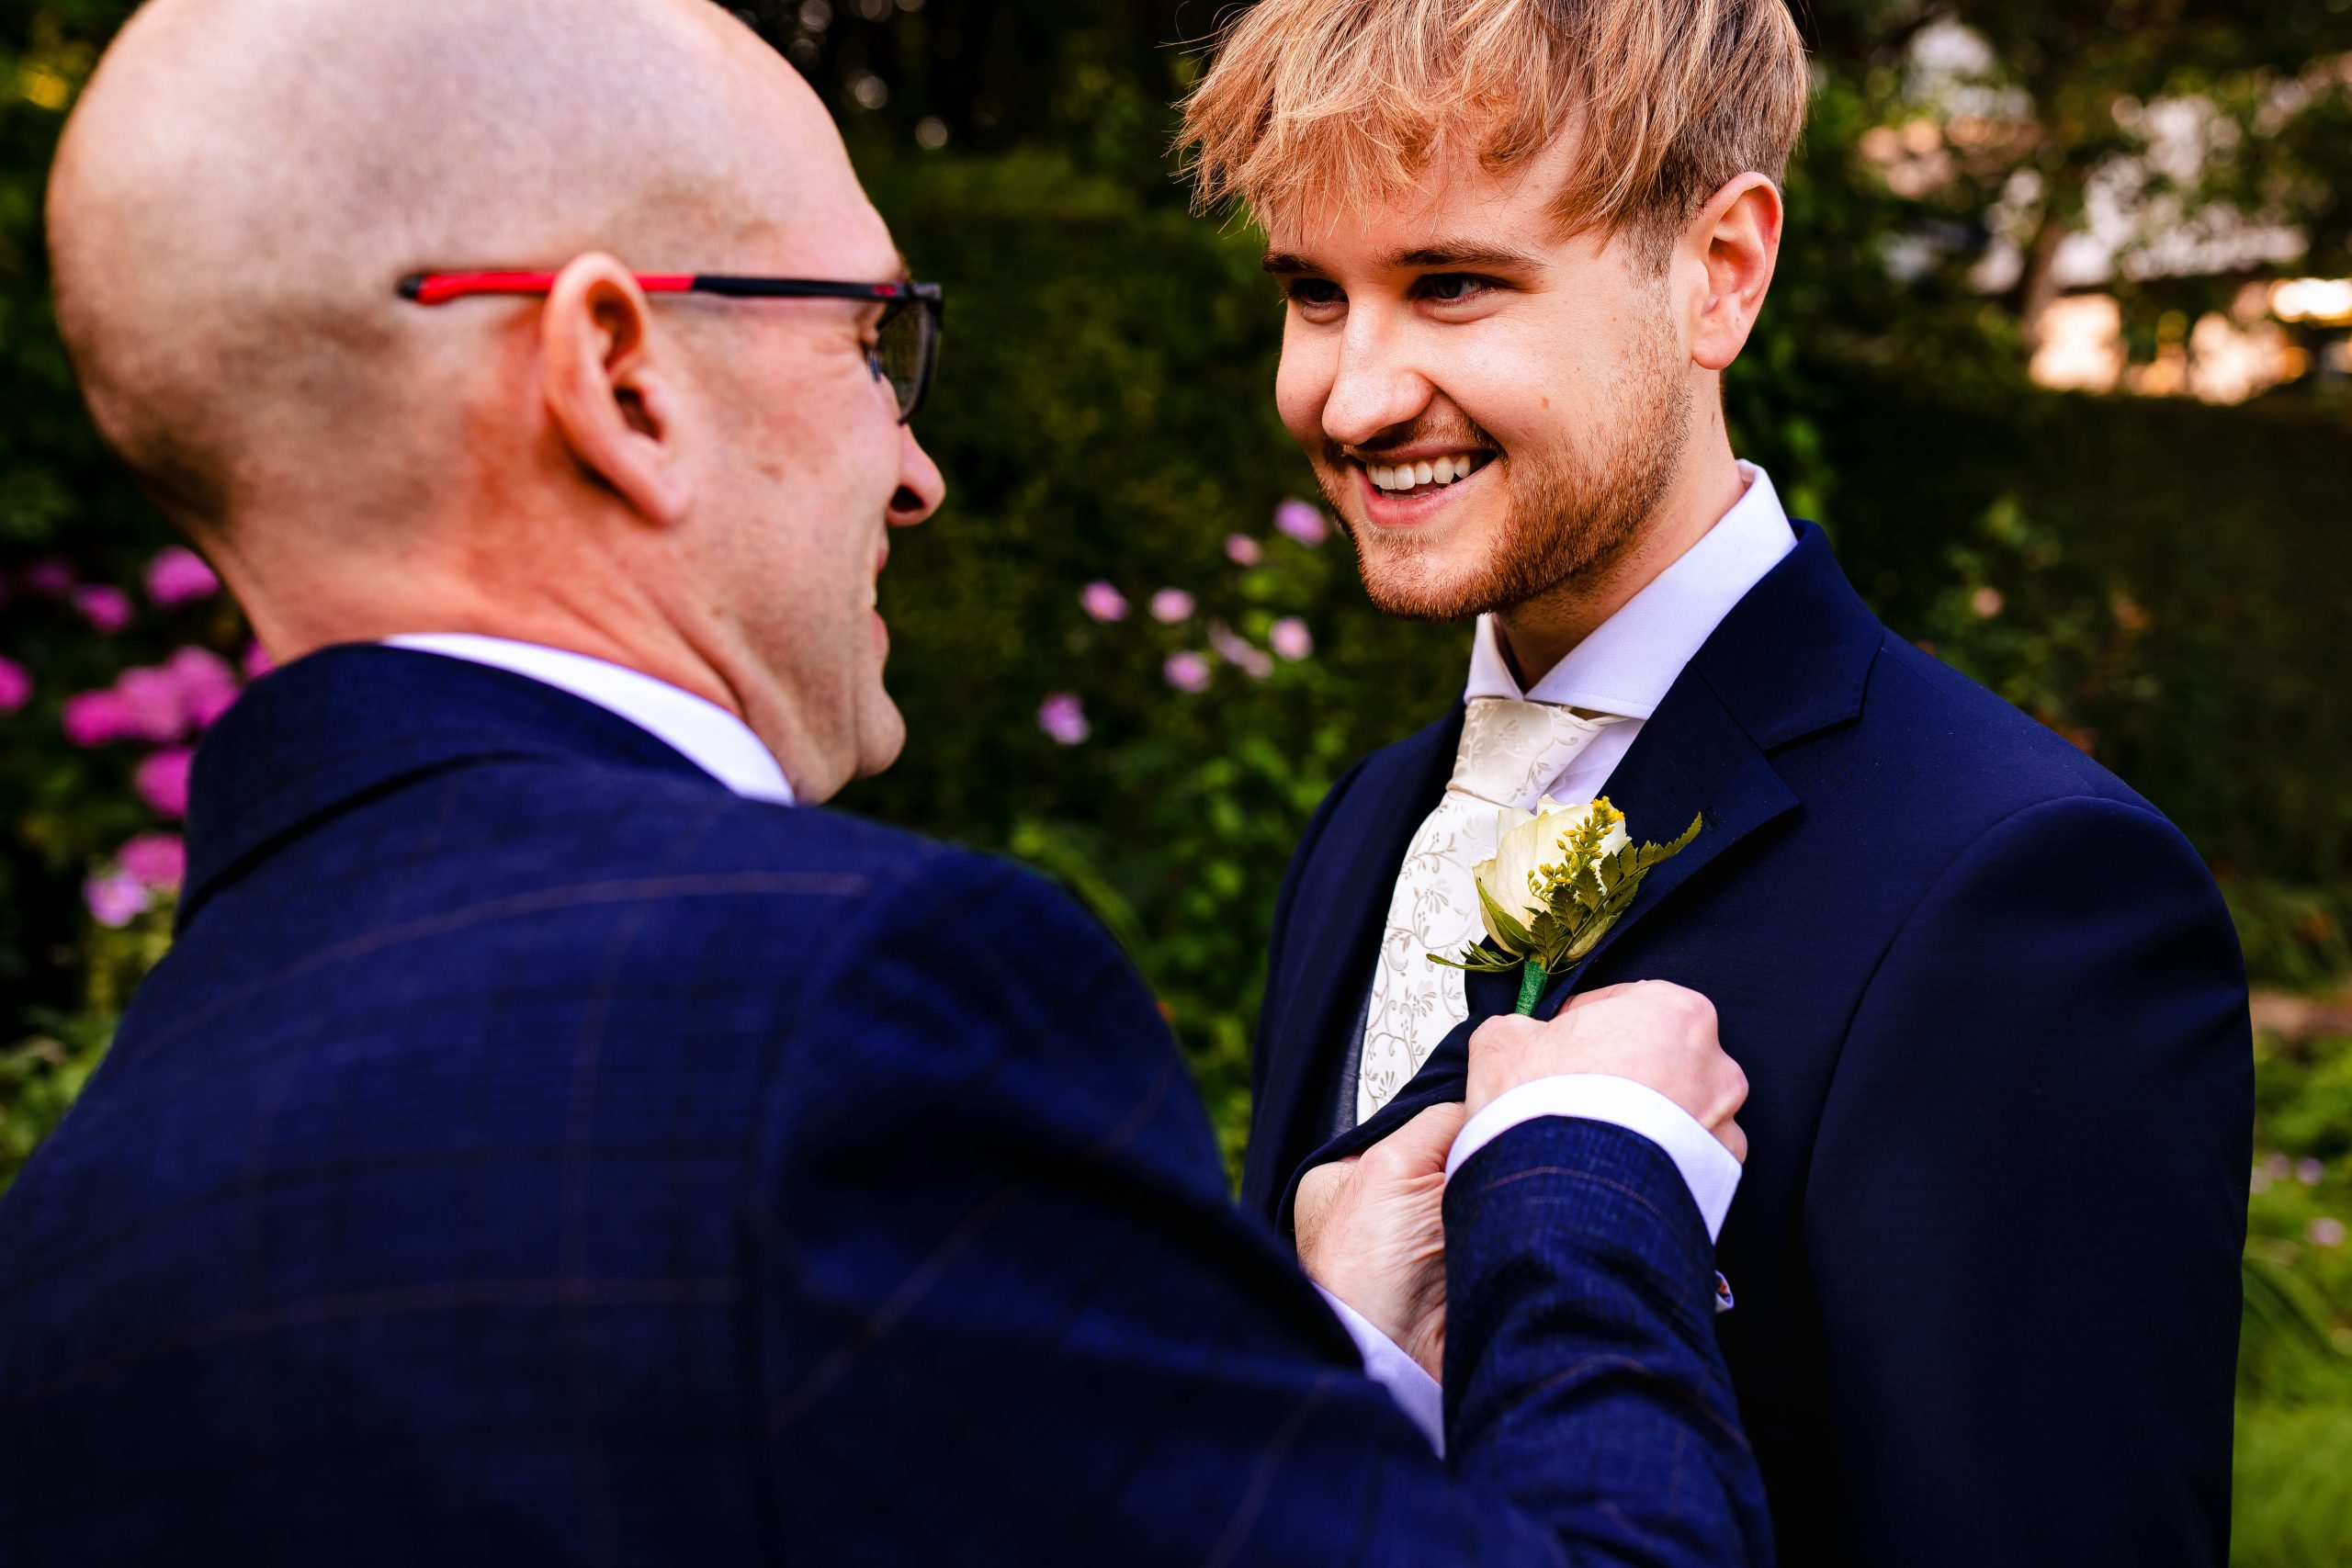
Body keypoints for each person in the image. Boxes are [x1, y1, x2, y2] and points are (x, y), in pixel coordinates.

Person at [0, 0, 1774, 1562]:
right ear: (620, 377)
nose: (913, 471)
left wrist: (1336, 1367)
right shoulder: (847, 1012)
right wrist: (1584, 1178)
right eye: (866, 340)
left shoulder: (79, 1221)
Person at [1180, 2, 2254, 1563]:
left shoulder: (2027, 887)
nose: (1351, 397)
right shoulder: (1366, 826)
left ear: (1720, 272)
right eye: (1314, 296)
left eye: (1454, 285)